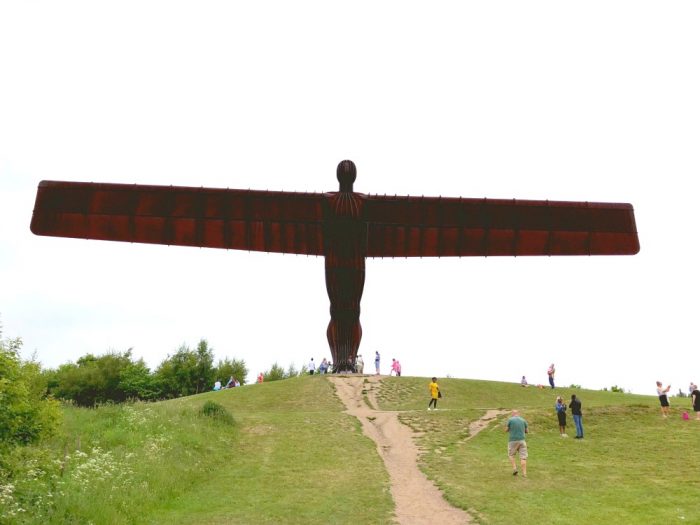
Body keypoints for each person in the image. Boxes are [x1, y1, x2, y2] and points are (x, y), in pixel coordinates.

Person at [505, 409, 528, 477]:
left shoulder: (510, 420)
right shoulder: (523, 420)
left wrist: (510, 429)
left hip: (512, 440)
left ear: (512, 414)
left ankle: (515, 469)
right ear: (518, 414)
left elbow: (506, 430)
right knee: (523, 457)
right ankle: (524, 474)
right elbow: (527, 431)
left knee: (511, 455)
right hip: (522, 440)